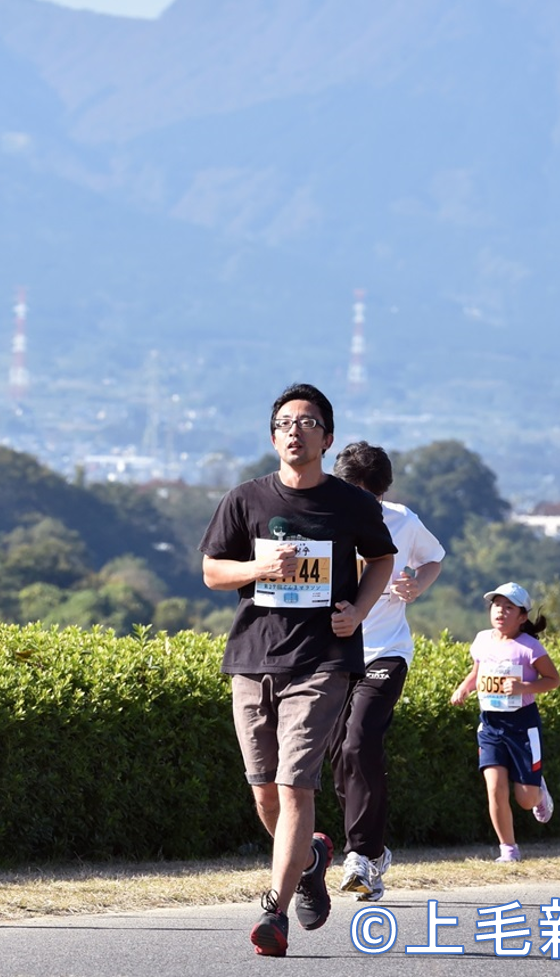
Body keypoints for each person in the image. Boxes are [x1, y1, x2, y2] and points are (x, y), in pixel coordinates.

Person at [198, 384, 396, 957]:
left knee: (294, 784)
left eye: (308, 423)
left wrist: (358, 610)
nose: (295, 431)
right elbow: (212, 571)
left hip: (323, 662)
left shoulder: (352, 503)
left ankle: (274, 913)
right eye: (285, 423)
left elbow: (382, 558)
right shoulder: (245, 499)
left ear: (327, 438)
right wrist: (258, 567)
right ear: (272, 436)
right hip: (252, 658)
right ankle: (310, 858)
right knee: (265, 793)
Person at [328, 441, 445, 902]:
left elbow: (433, 558)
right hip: (335, 655)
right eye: (354, 492)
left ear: (383, 492)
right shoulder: (322, 518)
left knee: (359, 740)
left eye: (372, 496)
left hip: (386, 652)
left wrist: (416, 584)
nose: (365, 504)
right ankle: (374, 854)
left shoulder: (402, 521)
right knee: (341, 757)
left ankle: (360, 854)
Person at [450, 582, 560, 862]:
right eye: (497, 605)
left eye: (509, 607)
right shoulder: (482, 640)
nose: (500, 611)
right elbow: (477, 672)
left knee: (525, 799)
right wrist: (464, 688)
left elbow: (553, 680)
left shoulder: (529, 647)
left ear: (522, 616)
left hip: (523, 725)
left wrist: (524, 687)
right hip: (490, 724)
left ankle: (539, 793)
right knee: (495, 787)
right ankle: (508, 850)